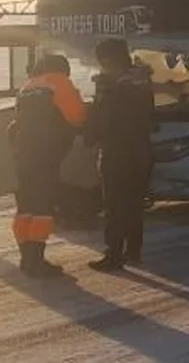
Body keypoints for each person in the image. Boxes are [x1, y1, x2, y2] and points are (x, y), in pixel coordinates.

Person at [8, 54, 87, 277]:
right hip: (45, 156)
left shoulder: (27, 86)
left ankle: (26, 258)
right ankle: (37, 260)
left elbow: (18, 122)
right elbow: (77, 115)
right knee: (42, 209)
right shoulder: (58, 82)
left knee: (25, 207)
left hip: (22, 156)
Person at [86, 38, 156, 272]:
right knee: (135, 204)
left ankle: (113, 255)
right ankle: (133, 252)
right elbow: (150, 118)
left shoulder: (111, 85)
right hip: (142, 151)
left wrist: (89, 135)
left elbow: (103, 119)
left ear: (108, 59)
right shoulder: (141, 80)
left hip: (118, 152)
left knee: (115, 205)